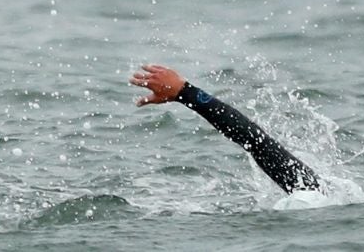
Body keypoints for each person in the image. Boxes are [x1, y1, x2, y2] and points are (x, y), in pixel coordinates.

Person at [129, 63, 320, 193]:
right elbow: (256, 143)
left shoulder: (317, 199)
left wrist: (185, 93)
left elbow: (256, 142)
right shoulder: (322, 197)